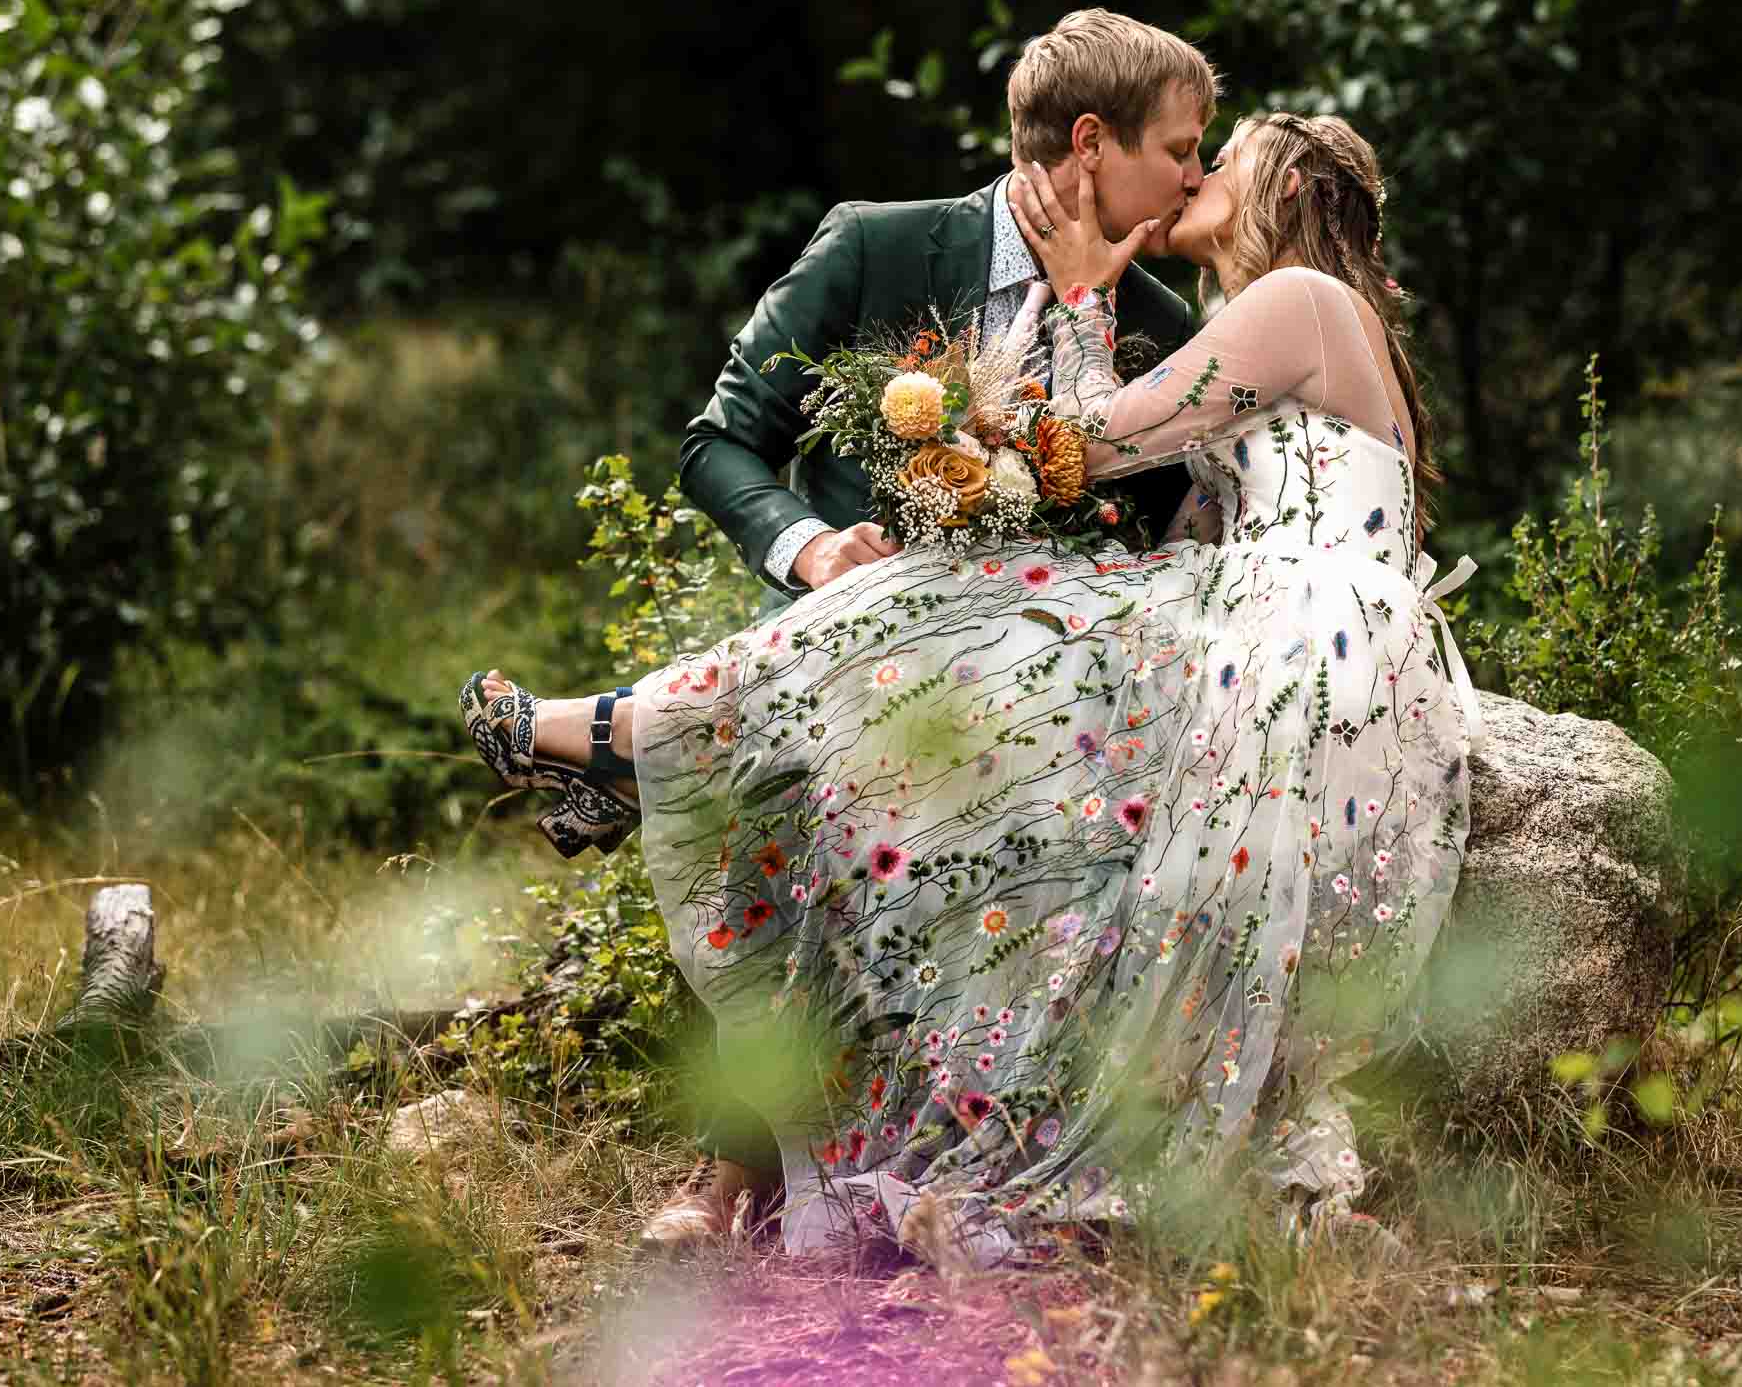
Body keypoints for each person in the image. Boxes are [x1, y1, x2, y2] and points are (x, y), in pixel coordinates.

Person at [462, 108, 1473, 1265]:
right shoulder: (1278, 318)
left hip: (1296, 642)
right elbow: (1176, 518)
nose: (1196, 174)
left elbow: (1086, 448)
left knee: (962, 620)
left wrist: (1088, 294)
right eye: (1187, 150)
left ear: (1281, 188)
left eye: (1221, 158)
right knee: (982, 645)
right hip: (1283, 627)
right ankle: (652, 746)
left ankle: (634, 733)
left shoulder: (1292, 301)